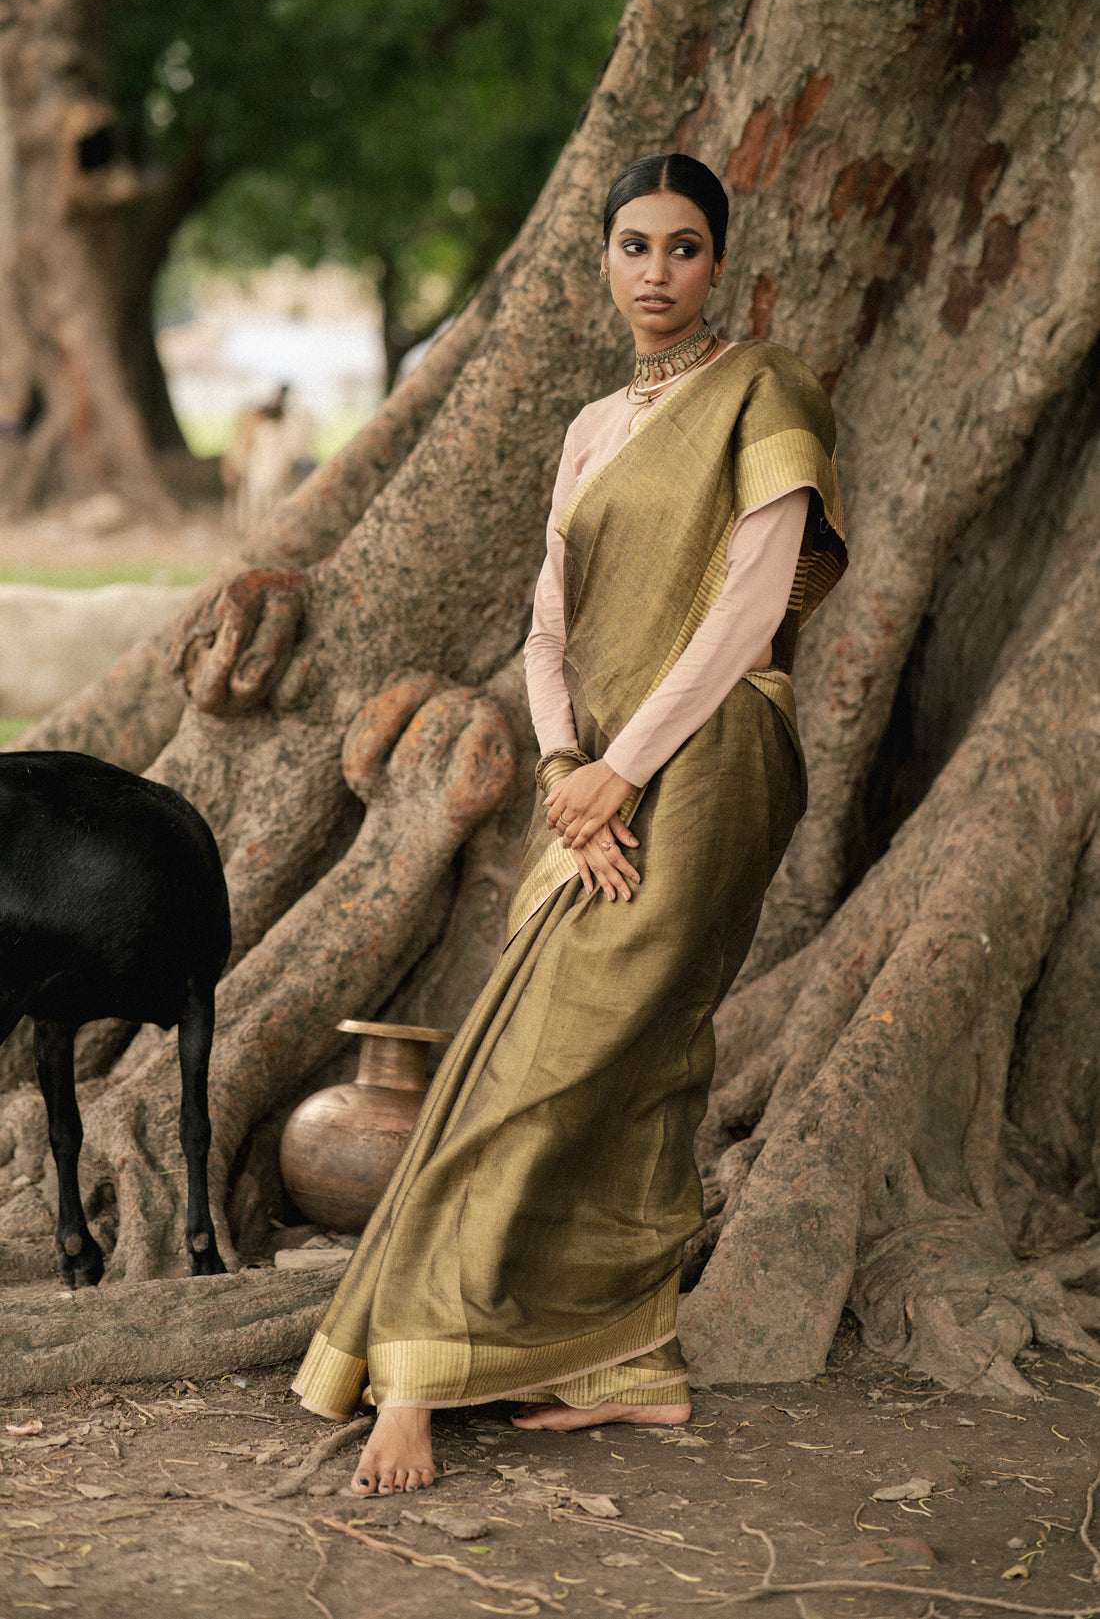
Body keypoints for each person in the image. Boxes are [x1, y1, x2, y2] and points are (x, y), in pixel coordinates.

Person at [292, 152, 847, 1495]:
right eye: (635, 245)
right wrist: (560, 769)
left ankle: (418, 1365)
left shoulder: (768, 394)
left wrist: (626, 772)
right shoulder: (593, 426)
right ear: (600, 261)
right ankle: (627, 1357)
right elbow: (547, 624)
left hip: (710, 761)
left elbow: (749, 607)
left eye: (685, 247)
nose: (657, 271)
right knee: (629, 1059)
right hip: (588, 768)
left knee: (550, 1058)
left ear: (724, 264)